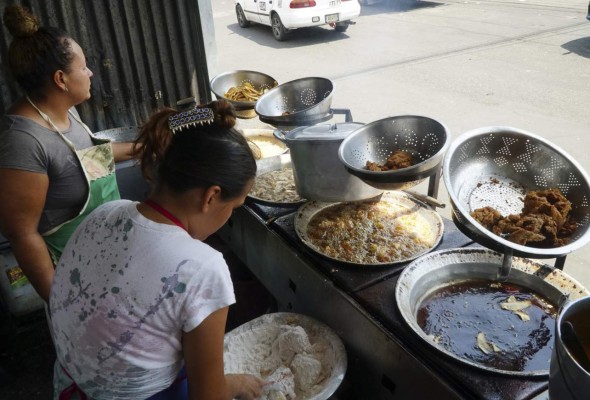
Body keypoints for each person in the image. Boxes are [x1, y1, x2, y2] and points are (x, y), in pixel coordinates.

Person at [49, 100, 265, 399]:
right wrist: (233, 384)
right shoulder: (202, 267)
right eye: (234, 207)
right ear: (211, 197)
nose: (230, 215)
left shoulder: (107, 212)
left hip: (69, 385)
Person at [0, 5, 136, 302]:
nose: (90, 72)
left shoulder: (64, 111)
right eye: (84, 66)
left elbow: (84, 162)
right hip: (76, 282)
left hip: (110, 257)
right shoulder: (23, 142)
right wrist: (62, 304)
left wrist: (143, 148)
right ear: (61, 79)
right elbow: (22, 235)